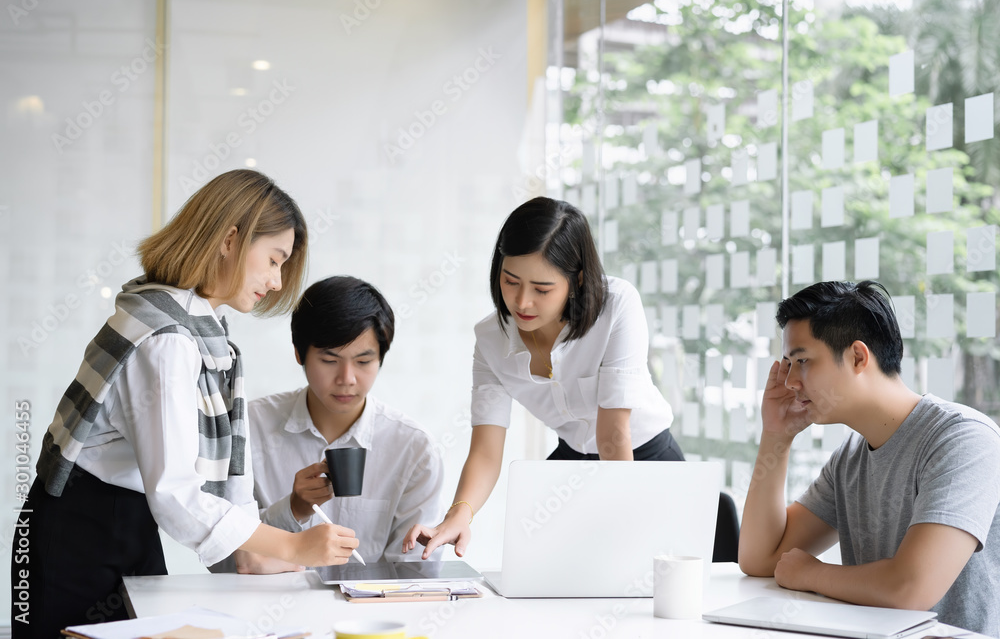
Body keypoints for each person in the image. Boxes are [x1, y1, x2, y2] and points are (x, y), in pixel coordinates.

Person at [12, 170, 358, 638]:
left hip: (122, 524)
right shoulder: (168, 338)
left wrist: (258, 550)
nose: (277, 282)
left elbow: (227, 488)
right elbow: (177, 494)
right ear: (231, 239)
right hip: (79, 534)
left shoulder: (202, 330)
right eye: (274, 260)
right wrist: (294, 549)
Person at [404, 197, 681, 559]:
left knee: (642, 581)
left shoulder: (617, 306)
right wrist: (459, 514)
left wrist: (620, 521)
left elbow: (614, 434)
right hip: (572, 462)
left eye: (542, 289)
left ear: (577, 279)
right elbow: (486, 449)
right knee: (540, 573)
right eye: (510, 281)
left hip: (642, 460)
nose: (522, 302)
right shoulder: (491, 339)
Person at [738, 280, 1000, 637]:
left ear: (858, 357)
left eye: (802, 361)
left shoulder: (963, 438)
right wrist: (776, 437)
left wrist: (810, 573)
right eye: (788, 365)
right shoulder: (850, 457)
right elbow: (761, 559)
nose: (790, 383)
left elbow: (910, 588)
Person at [248, 276, 444, 564]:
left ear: (381, 359)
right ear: (299, 354)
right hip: (262, 606)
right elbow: (221, 556)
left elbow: (413, 572)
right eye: (329, 361)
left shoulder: (414, 449)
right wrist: (293, 510)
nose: (347, 379)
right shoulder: (250, 427)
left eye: (364, 362)